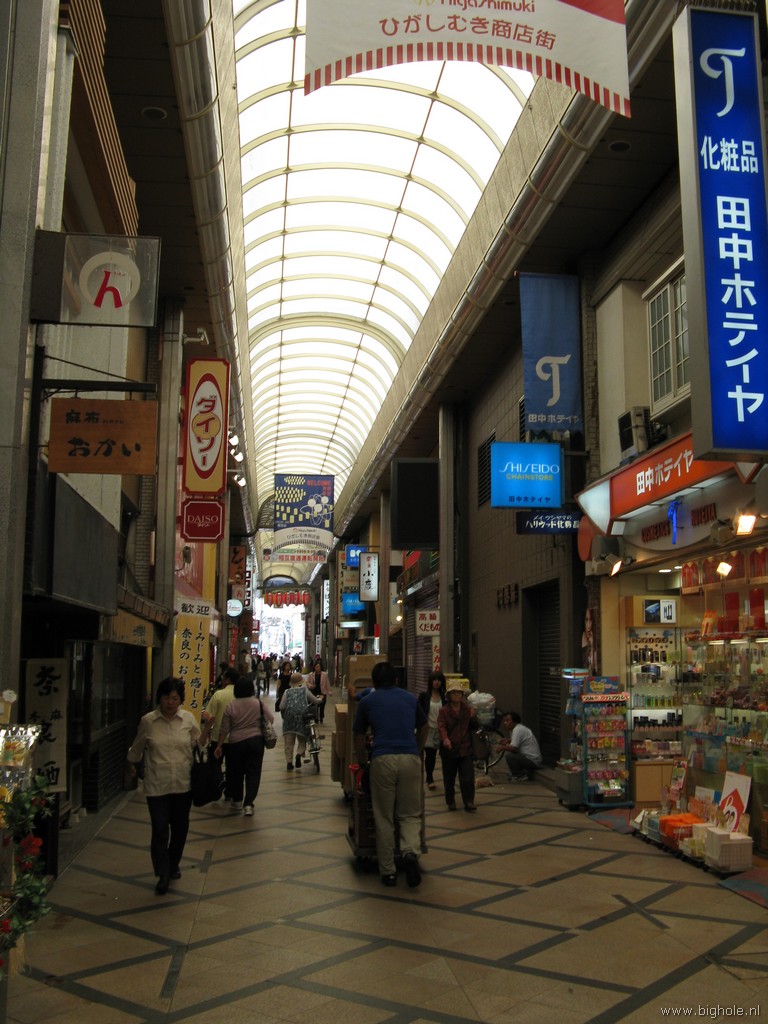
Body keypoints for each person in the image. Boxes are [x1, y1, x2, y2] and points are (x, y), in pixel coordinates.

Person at [127, 677, 213, 895]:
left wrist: (208, 726)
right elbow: (137, 747)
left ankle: (173, 864)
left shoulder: (188, 719)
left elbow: (199, 746)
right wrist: (132, 763)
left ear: (180, 699)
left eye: (174, 698)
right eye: (166, 698)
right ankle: (162, 874)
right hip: (157, 784)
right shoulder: (148, 721)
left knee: (180, 829)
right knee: (159, 829)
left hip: (183, 784)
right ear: (160, 698)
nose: (170, 702)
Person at [353, 661, 428, 889]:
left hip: (383, 758)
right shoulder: (410, 698)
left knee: (384, 816)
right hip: (410, 758)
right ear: (396, 680)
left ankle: (388, 872)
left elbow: (358, 734)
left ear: (374, 682)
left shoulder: (367, 701)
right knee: (410, 813)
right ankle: (410, 853)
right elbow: (424, 727)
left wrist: (363, 761)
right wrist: (417, 749)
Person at [214, 678, 274, 816]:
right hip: (256, 741)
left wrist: (219, 745)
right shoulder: (258, 703)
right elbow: (270, 718)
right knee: (254, 772)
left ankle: (237, 801)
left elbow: (224, 728)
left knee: (237, 772)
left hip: (236, 743)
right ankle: (248, 804)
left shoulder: (231, 706)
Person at [437, 680, 477, 812]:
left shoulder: (467, 709)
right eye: (453, 692)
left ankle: (469, 801)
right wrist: (445, 739)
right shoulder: (444, 711)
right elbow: (441, 726)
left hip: (465, 747)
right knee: (449, 778)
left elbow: (474, 726)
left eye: (459, 692)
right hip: (450, 749)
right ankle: (450, 801)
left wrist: (473, 717)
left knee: (468, 777)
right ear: (448, 695)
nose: (456, 695)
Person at [278, 672, 321, 770]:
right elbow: (315, 701)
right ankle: (298, 754)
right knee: (302, 739)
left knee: (289, 742)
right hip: (302, 718)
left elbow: (281, 706)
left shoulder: (287, 692)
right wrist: (320, 699)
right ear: (301, 681)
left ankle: (289, 763)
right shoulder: (304, 690)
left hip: (289, 720)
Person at [417, 670, 446, 791]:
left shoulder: (445, 697)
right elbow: (418, 712)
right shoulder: (424, 696)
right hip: (428, 730)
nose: (437, 682)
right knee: (430, 755)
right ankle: (430, 778)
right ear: (430, 682)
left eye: (439, 680)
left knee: (445, 755)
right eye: (434, 680)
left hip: (441, 730)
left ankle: (446, 779)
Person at [499, 711, 543, 782]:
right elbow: (518, 741)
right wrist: (508, 740)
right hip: (530, 759)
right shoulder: (517, 728)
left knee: (510, 756)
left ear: (514, 721)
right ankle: (519, 773)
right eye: (504, 721)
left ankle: (519, 775)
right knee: (512, 754)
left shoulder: (518, 730)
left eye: (507, 720)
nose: (505, 723)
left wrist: (501, 748)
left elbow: (514, 748)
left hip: (533, 761)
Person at [306, 658, 331, 722]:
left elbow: (327, 683)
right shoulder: (311, 674)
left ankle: (321, 717)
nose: (317, 668)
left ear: (321, 667)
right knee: (315, 705)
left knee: (322, 705)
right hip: (314, 692)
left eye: (319, 667)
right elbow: (307, 682)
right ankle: (315, 717)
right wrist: (310, 685)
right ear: (314, 667)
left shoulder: (324, 674)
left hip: (322, 692)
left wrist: (329, 691)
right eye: (316, 667)